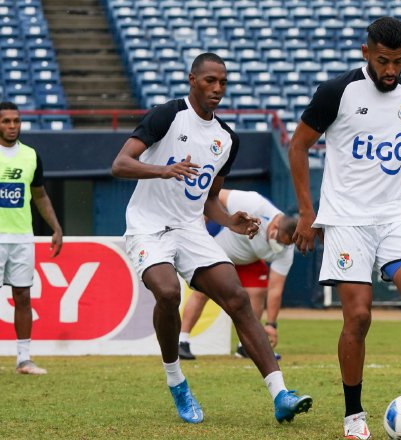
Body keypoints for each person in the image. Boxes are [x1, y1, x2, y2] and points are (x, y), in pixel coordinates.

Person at [288, 17, 401, 439]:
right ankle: (354, 416)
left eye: (400, 62)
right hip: (346, 218)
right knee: (358, 316)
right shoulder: (337, 92)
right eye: (385, 61)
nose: (392, 71)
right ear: (365, 51)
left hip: (393, 214)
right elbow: (298, 146)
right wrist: (306, 213)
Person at [111, 53, 312, 424]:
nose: (217, 89)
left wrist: (230, 221)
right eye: (209, 81)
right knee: (168, 292)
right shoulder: (168, 115)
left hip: (191, 229)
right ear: (192, 80)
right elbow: (120, 164)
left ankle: (281, 394)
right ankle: (176, 381)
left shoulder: (226, 139)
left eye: (223, 82)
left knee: (237, 298)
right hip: (148, 226)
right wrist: (163, 169)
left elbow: (208, 200)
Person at [177, 188, 297, 361]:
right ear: (275, 226)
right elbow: (213, 195)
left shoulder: (286, 250)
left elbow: (275, 289)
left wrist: (271, 324)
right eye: (279, 240)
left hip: (249, 259)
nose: (280, 246)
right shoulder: (253, 204)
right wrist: (199, 224)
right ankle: (182, 341)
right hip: (220, 251)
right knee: (202, 292)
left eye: (285, 244)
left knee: (257, 293)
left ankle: (246, 346)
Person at [0, 101, 63, 375]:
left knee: (23, 295)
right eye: (6, 121)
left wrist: (56, 227)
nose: (12, 126)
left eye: (16, 121)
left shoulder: (31, 156)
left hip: (22, 237)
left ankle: (24, 360)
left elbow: (39, 194)